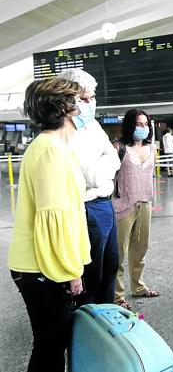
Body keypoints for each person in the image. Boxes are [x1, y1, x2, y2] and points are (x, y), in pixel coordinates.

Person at [8, 77, 91, 372]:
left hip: (44, 263)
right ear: (67, 108)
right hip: (41, 266)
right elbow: (53, 220)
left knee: (52, 341)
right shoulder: (49, 151)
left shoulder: (55, 147)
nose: (85, 106)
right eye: (81, 100)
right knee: (50, 343)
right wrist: (70, 271)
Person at [57, 69, 121, 306]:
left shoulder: (92, 125)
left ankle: (106, 322)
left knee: (110, 268)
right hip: (87, 208)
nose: (89, 103)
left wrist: (105, 163)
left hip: (106, 204)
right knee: (91, 275)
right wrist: (106, 163)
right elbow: (90, 175)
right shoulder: (66, 131)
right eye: (83, 99)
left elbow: (114, 159)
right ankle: (87, 327)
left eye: (92, 97)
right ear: (68, 100)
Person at [113, 109, 159, 310]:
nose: (143, 128)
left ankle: (138, 287)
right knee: (119, 252)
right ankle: (117, 296)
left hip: (145, 203)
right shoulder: (118, 147)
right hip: (122, 206)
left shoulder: (152, 148)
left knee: (141, 248)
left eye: (146, 124)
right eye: (139, 124)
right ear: (130, 125)